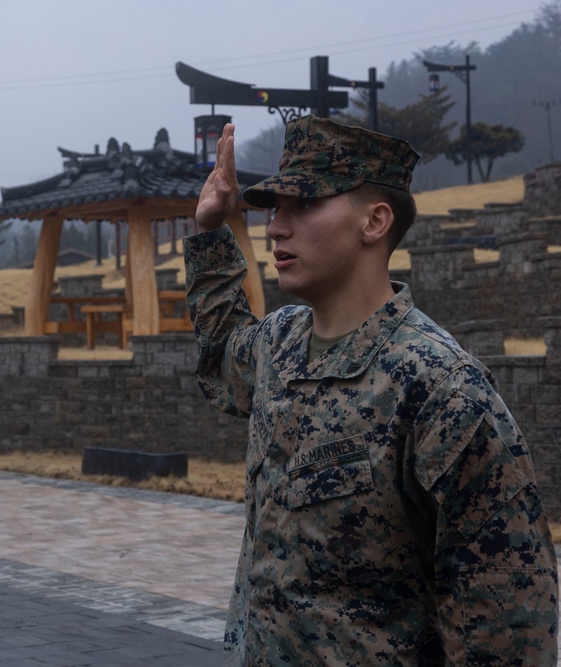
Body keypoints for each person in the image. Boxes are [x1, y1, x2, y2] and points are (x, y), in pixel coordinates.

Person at [185, 116, 558, 665]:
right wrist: (210, 232)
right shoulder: (280, 344)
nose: (275, 228)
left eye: (304, 205)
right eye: (274, 209)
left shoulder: (442, 388)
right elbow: (220, 349)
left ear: (375, 221)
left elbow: (506, 626)